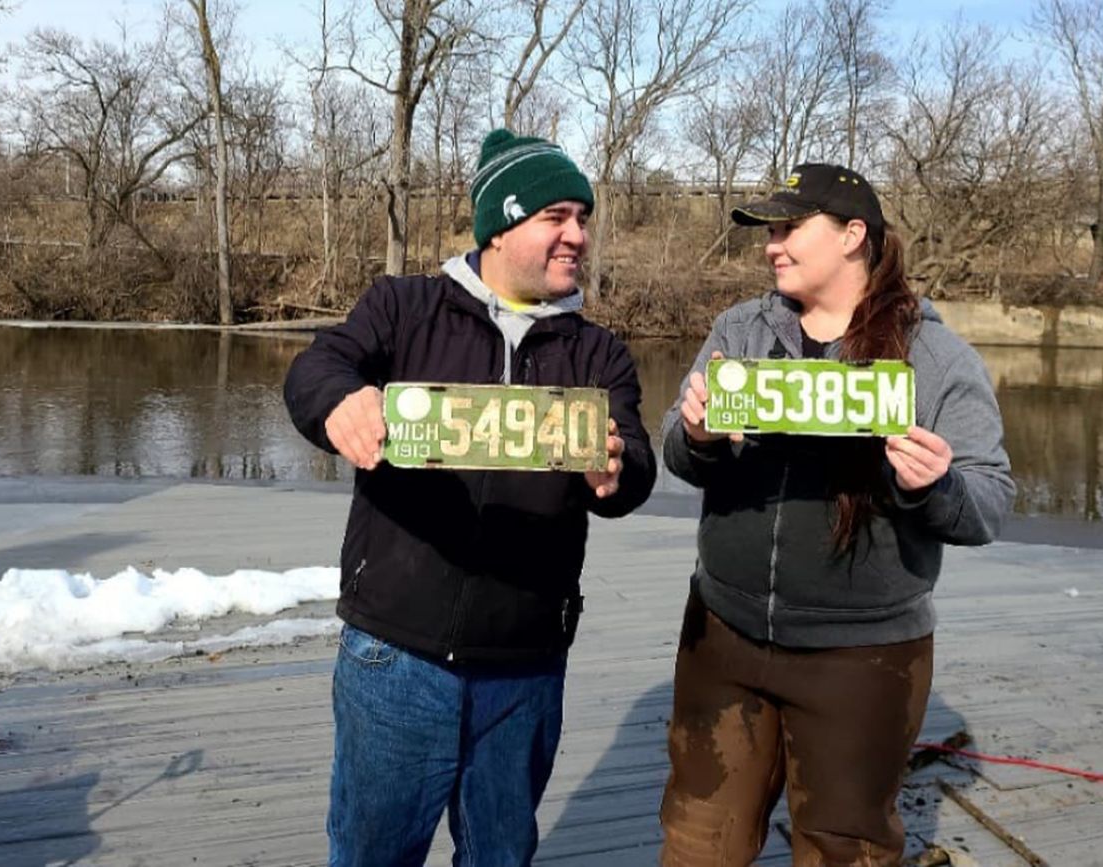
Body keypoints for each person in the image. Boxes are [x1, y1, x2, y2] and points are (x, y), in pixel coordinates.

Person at [284, 128, 657, 866]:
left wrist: (618, 472)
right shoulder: (404, 309)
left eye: (583, 218)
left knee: (499, 856)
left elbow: (636, 458)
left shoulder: (597, 352)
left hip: (525, 666)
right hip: (395, 658)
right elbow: (316, 367)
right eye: (556, 217)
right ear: (502, 224)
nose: (577, 235)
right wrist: (341, 404)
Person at [657, 163, 1015, 866]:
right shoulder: (741, 328)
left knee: (844, 851)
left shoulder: (935, 356)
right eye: (770, 231)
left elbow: (988, 503)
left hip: (863, 659)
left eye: (790, 228)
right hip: (722, 638)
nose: (772, 244)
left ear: (854, 235)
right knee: (697, 842)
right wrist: (694, 435)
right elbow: (677, 445)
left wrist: (933, 483)